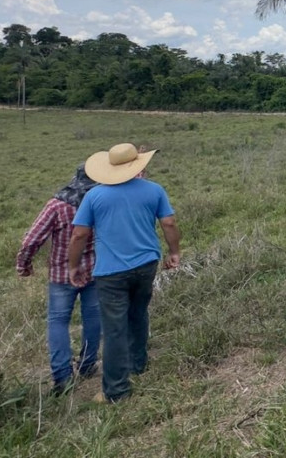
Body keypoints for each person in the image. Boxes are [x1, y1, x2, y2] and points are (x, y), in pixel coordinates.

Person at [68, 142, 181, 403]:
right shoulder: (154, 190)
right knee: (138, 313)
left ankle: (116, 389)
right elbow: (169, 222)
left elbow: (79, 234)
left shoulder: (94, 196)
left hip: (111, 271)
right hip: (146, 265)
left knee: (115, 327)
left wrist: (73, 266)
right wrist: (174, 251)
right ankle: (138, 364)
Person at [16, 164, 101, 396]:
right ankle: (87, 365)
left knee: (58, 321)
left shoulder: (57, 205)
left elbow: (32, 239)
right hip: (95, 268)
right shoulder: (100, 200)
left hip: (61, 274)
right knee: (93, 317)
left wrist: (24, 263)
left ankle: (63, 378)